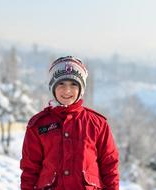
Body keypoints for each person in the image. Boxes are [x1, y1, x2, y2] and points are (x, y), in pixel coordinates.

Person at [20, 56, 119, 190]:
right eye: (61, 84)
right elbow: (30, 169)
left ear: (81, 89)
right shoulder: (38, 125)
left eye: (73, 84)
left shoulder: (97, 124)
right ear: (52, 87)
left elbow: (109, 166)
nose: (67, 90)